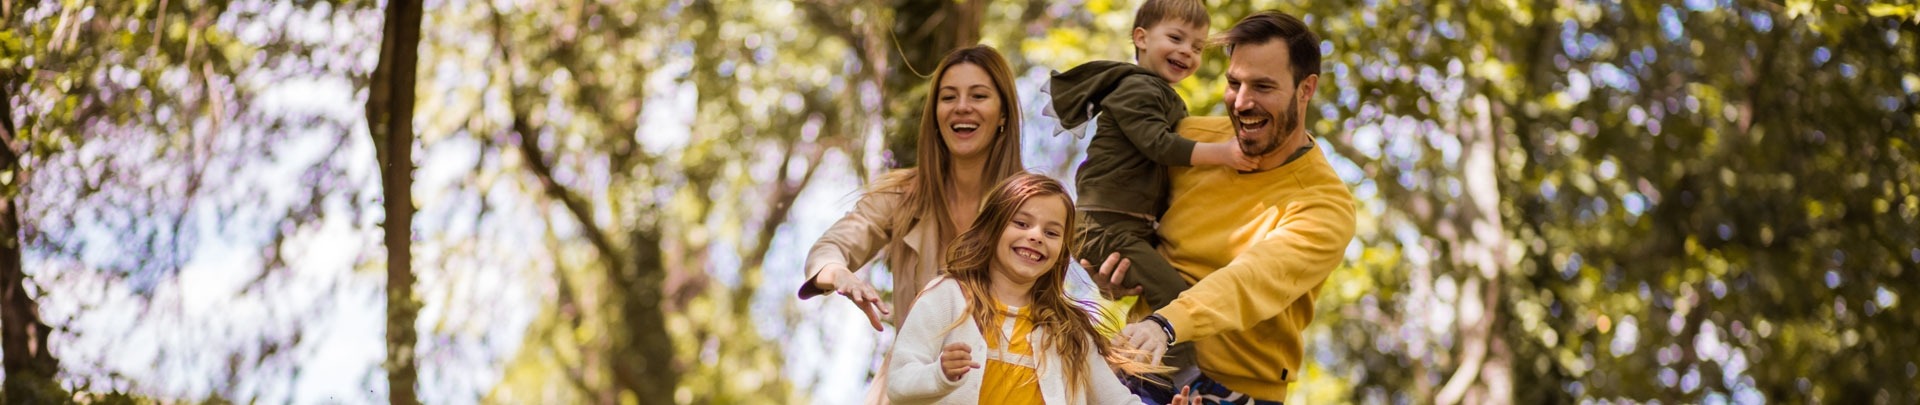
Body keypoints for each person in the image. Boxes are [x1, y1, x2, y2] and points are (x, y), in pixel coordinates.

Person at [1091, 10, 1358, 405]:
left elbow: (1249, 280)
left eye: (1263, 87)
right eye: (1234, 83)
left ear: (1306, 89)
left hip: (1236, 390)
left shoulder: (1325, 205)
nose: (1243, 102)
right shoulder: (1190, 143)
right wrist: (1106, 273)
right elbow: (1120, 212)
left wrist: (1167, 324)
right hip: (1141, 368)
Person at [798, 45, 1028, 404]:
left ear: (1003, 114)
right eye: (948, 97)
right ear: (935, 114)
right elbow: (831, 248)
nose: (962, 107)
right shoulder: (902, 196)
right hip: (912, 390)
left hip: (1003, 389)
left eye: (979, 95)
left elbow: (1073, 290)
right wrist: (837, 273)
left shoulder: (1031, 205)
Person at [885, 172, 1206, 405]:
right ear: (992, 228)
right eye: (1022, 224)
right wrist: (939, 373)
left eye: (1052, 232)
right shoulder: (948, 296)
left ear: (1060, 253)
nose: (1036, 235)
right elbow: (899, 383)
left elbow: (1115, 400)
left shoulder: (1069, 331)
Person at [1047, 0, 1258, 315]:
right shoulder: (1137, 89)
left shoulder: (1160, 93)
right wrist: (1223, 153)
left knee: (1185, 285)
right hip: (1105, 224)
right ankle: (1165, 362)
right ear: (1142, 38)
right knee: (1176, 301)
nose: (1187, 51)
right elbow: (1159, 144)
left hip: (1129, 225)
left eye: (1197, 47)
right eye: (1176, 39)